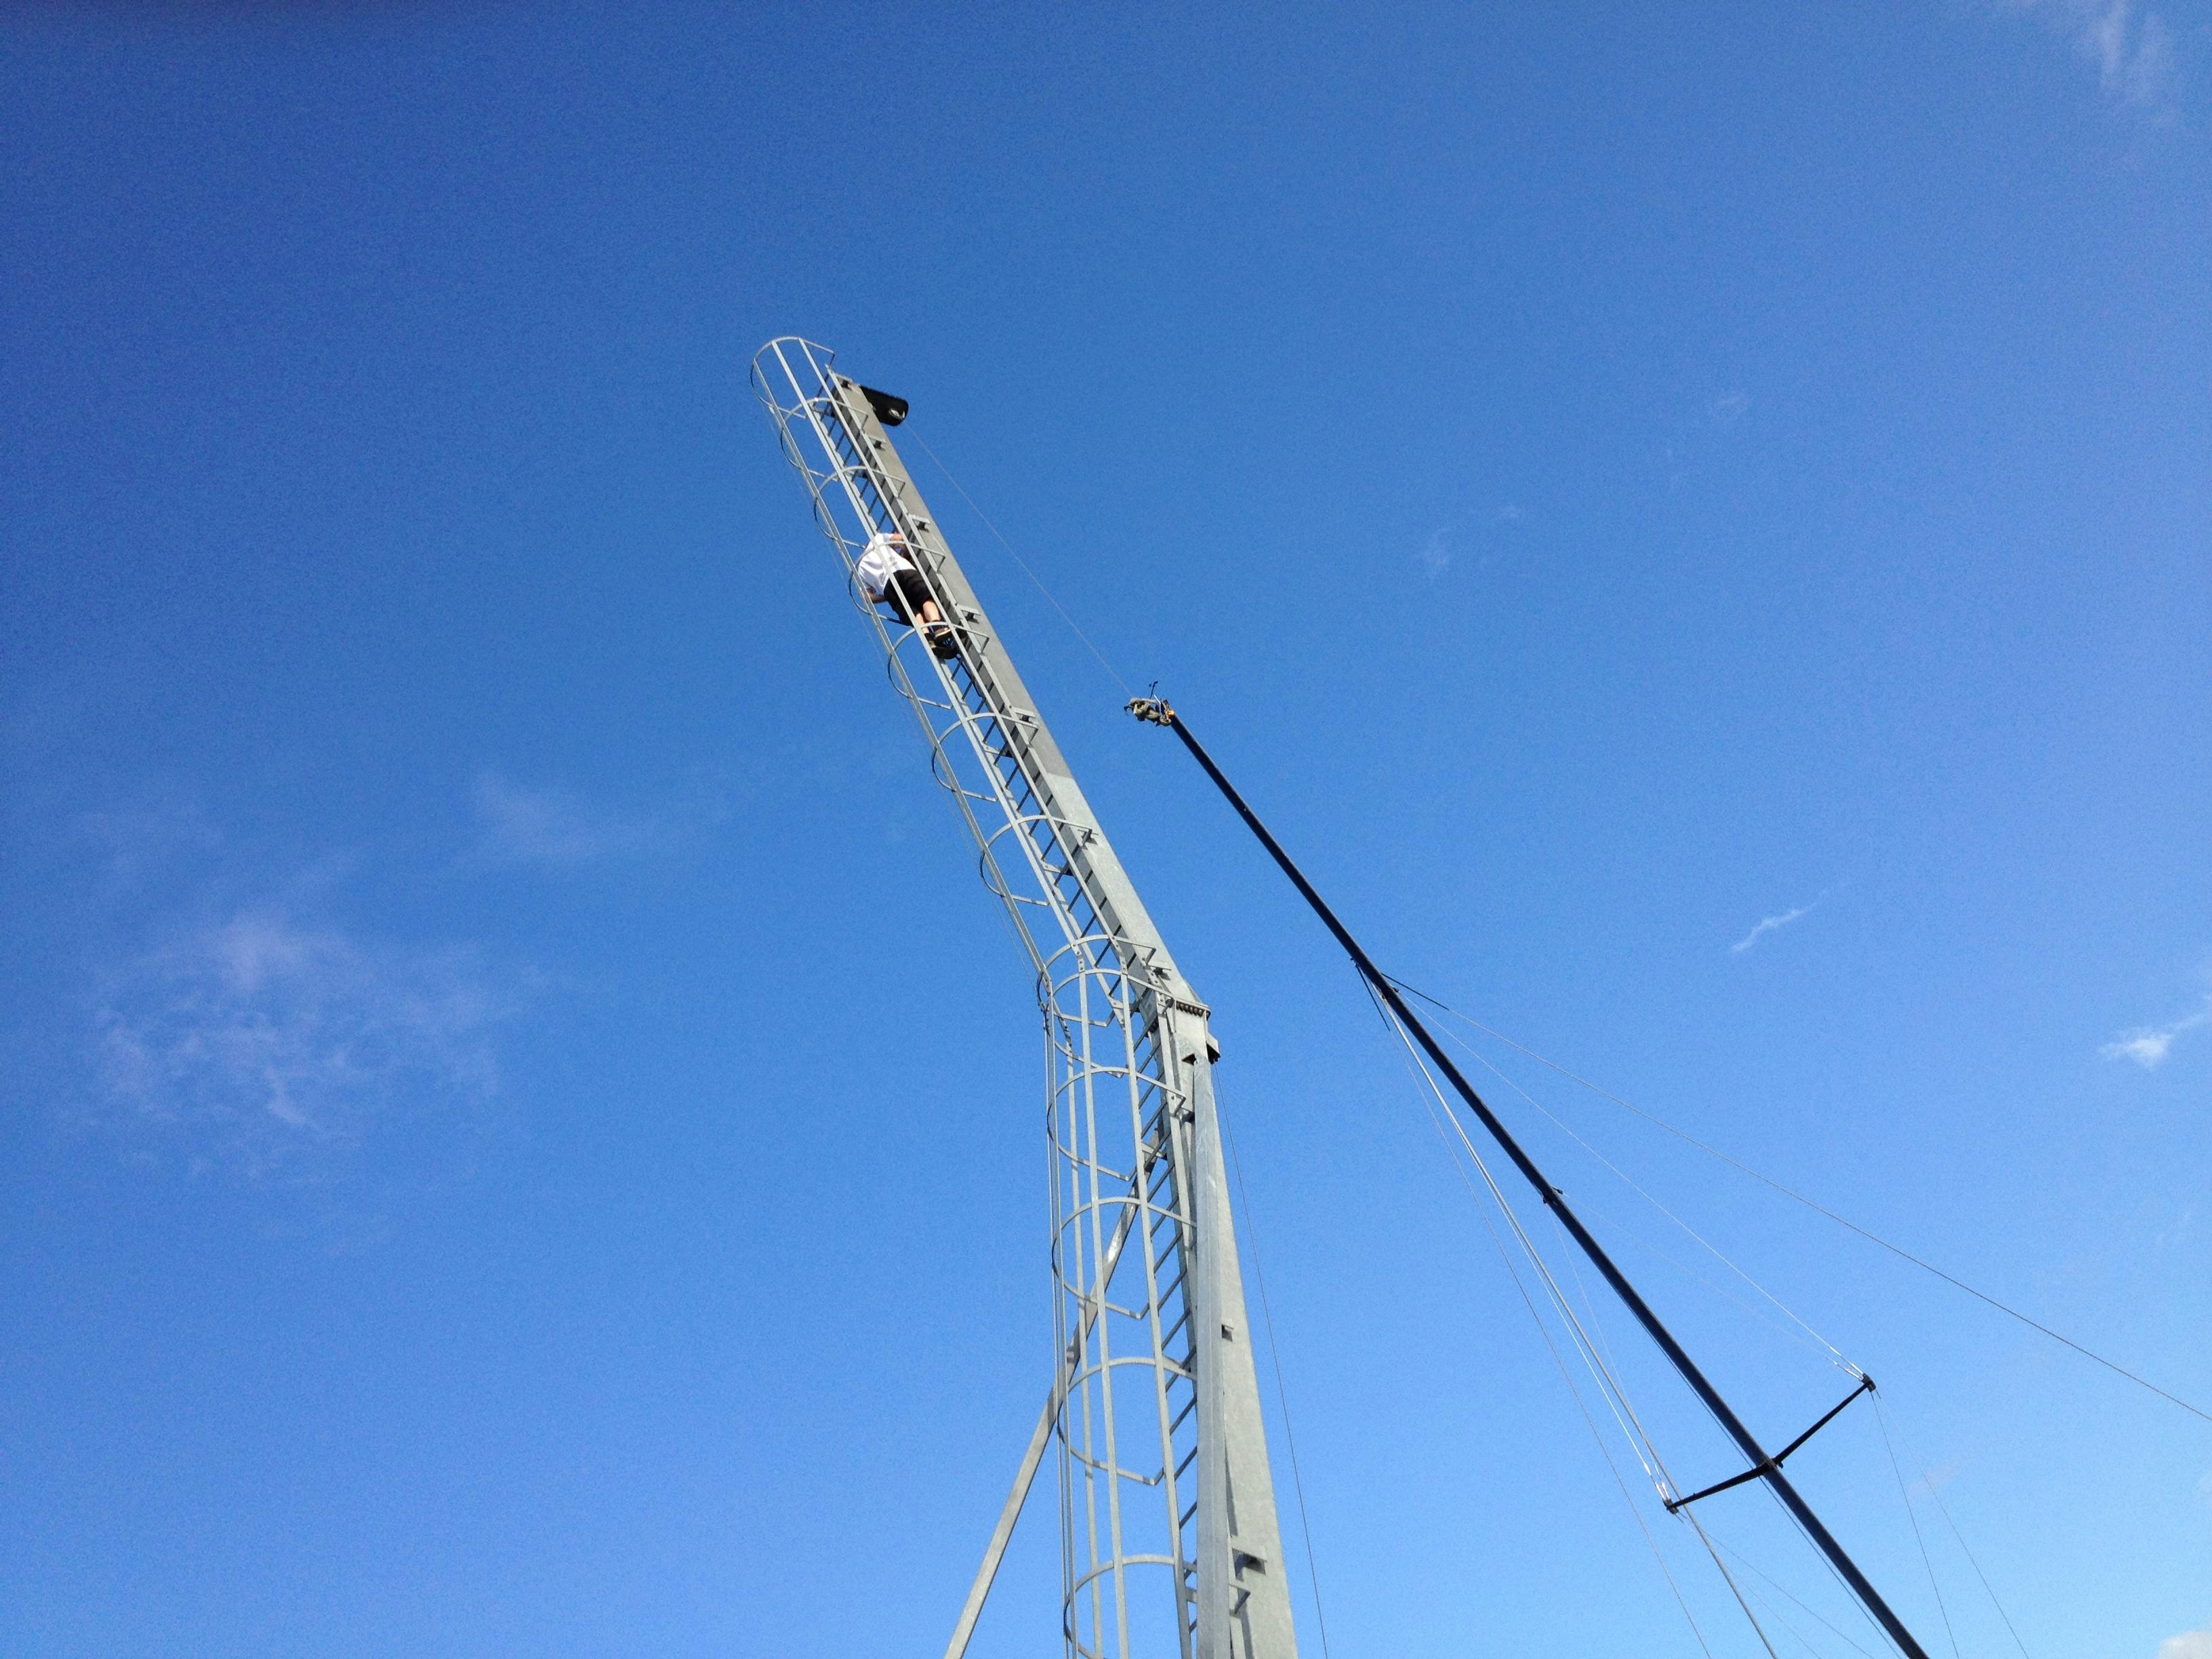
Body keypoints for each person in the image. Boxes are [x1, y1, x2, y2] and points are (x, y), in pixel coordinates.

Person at [857, 528, 958, 658]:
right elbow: (901, 539)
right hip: (902, 571)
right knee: (926, 599)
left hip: (887, 588)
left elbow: (868, 597)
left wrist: (885, 598)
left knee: (914, 613)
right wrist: (904, 556)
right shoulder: (878, 539)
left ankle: (929, 639)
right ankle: (938, 628)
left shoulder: (860, 569)